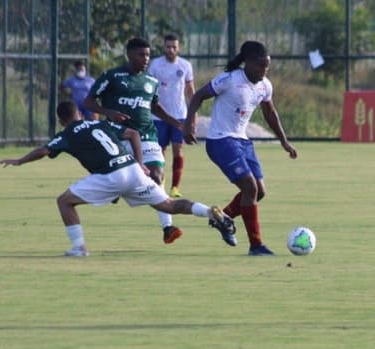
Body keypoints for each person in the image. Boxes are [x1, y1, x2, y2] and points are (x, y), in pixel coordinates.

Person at [0, 101, 236, 257]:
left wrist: (20, 161)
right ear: (80, 114)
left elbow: (43, 150)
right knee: (169, 205)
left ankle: (79, 248)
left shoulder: (67, 133)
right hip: (132, 169)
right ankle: (211, 212)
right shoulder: (99, 123)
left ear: (62, 120)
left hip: (110, 176)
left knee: (64, 201)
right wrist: (141, 163)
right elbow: (133, 133)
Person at [184, 40, 298, 256]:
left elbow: (270, 113)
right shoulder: (229, 79)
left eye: (267, 67)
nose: (263, 71)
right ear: (247, 63)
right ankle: (256, 245)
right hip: (221, 140)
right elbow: (199, 95)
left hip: (242, 141)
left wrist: (284, 141)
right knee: (250, 188)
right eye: (260, 66)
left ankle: (223, 217)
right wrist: (189, 122)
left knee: (259, 192)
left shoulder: (265, 85)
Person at [83, 37, 191, 246]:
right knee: (122, 181)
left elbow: (155, 107)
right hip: (118, 137)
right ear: (129, 55)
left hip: (147, 137)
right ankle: (120, 191)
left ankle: (168, 227)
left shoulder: (150, 81)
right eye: (141, 55)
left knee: (156, 175)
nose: (145, 59)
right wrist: (109, 112)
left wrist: (177, 124)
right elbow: (88, 101)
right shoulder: (112, 76)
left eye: (148, 55)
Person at [147, 34, 195, 198]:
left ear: (178, 47)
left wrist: (192, 116)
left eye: (174, 47)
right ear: (164, 47)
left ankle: (175, 187)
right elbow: (148, 88)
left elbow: (190, 91)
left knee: (178, 149)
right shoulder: (155, 65)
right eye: (168, 46)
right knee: (159, 151)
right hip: (158, 116)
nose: (171, 50)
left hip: (179, 116)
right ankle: (160, 183)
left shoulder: (185, 65)